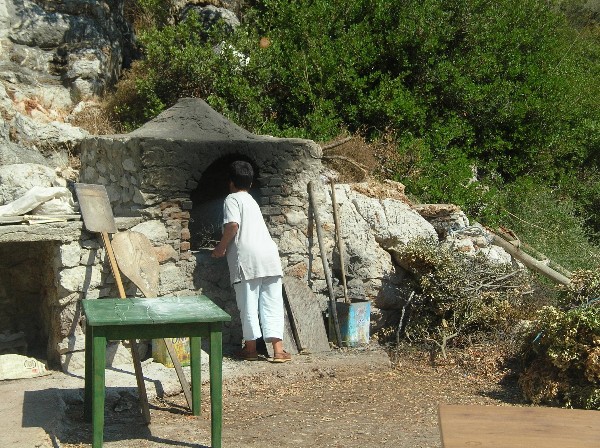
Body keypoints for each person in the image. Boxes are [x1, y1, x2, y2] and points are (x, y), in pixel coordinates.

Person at [211, 160, 291, 363]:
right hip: (269, 256)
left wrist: (220, 247)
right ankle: (278, 351)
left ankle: (251, 350)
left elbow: (233, 225)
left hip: (248, 259)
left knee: (248, 304)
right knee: (272, 303)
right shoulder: (252, 200)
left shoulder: (232, 199)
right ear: (251, 183)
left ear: (230, 182)